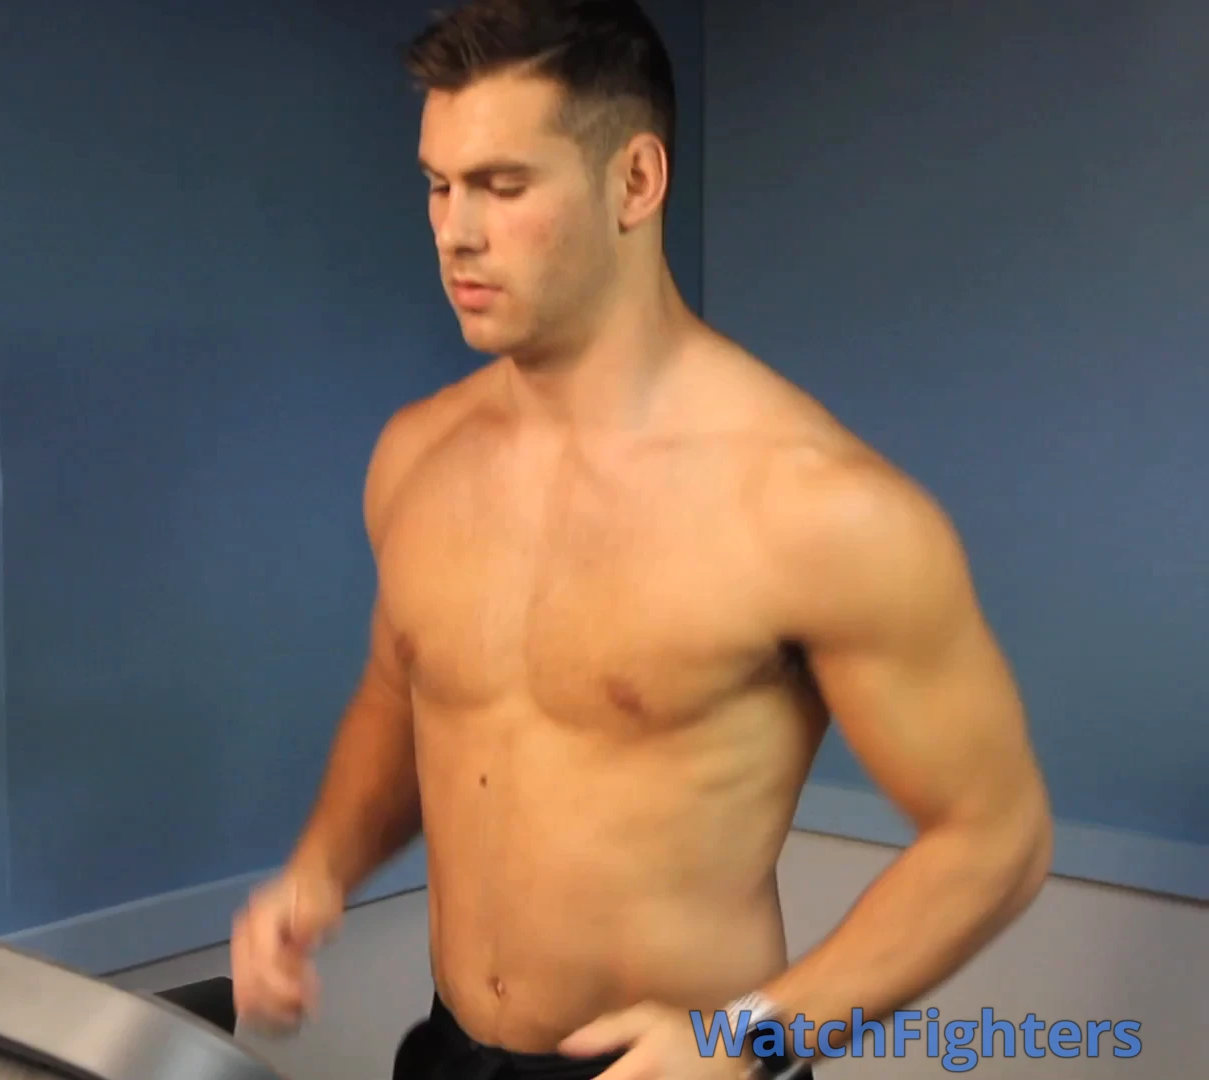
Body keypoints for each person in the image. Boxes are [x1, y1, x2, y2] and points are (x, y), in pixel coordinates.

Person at [228, 1, 1055, 1078]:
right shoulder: (416, 456)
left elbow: (998, 838)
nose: (455, 231)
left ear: (636, 181)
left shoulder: (812, 506)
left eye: (502, 186)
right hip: (451, 1054)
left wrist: (748, 1040)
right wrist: (320, 868)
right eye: (439, 185)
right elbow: (403, 694)